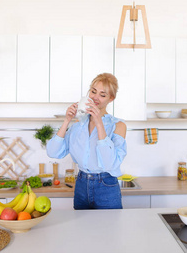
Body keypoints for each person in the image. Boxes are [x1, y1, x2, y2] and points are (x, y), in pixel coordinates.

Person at [46, 73, 127, 209]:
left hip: (106, 185)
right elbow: (53, 152)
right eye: (93, 91)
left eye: (102, 95)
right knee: (81, 229)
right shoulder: (78, 124)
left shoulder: (118, 125)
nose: (95, 98)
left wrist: (99, 124)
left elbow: (109, 163)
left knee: (110, 229)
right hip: (81, 184)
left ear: (111, 98)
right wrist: (67, 120)